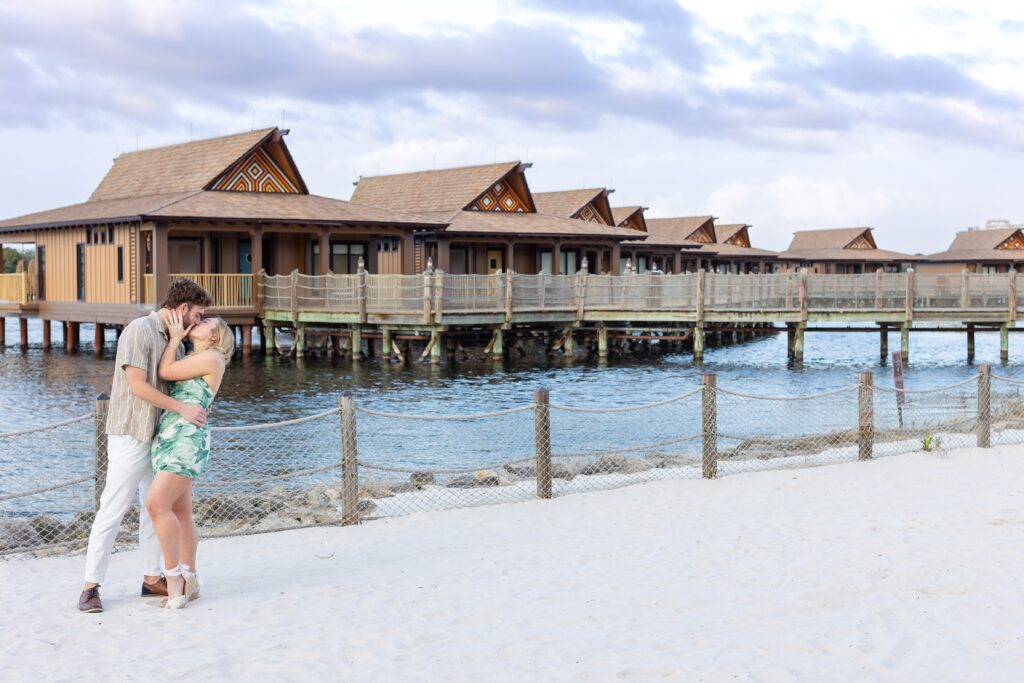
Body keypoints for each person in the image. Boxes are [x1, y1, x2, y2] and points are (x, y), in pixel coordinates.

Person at [79, 278, 211, 613]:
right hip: (131, 433)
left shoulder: (177, 343)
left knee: (156, 509)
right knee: (113, 508)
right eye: (197, 314)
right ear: (182, 309)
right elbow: (137, 386)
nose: (198, 320)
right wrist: (182, 409)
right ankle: (91, 587)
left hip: (162, 437)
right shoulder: (139, 331)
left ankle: (152, 577)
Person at [145, 310, 234, 609]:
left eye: (207, 322)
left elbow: (165, 372)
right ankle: (190, 576)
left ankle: (174, 582)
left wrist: (172, 340)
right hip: (172, 436)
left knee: (156, 505)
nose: (200, 320)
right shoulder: (192, 356)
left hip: (185, 440)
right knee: (181, 511)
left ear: (214, 337)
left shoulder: (212, 358)